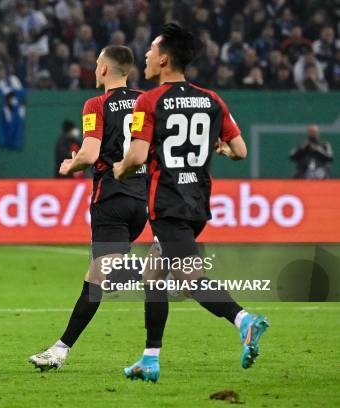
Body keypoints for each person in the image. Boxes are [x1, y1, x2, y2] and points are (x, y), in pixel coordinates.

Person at [113, 22, 268, 383]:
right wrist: (221, 148)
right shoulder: (212, 99)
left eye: (151, 50)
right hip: (197, 201)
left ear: (164, 59)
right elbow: (240, 151)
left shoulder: (148, 101)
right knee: (154, 274)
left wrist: (119, 170)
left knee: (188, 276)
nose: (147, 55)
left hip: (166, 202)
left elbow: (136, 156)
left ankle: (243, 320)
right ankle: (149, 358)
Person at [29, 46, 147, 371]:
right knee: (95, 278)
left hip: (110, 200)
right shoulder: (146, 102)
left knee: (107, 274)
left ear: (106, 69)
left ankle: (158, 269)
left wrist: (71, 165)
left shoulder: (96, 104)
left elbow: (91, 151)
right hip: (141, 201)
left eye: (97, 65)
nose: (94, 70)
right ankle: (60, 349)